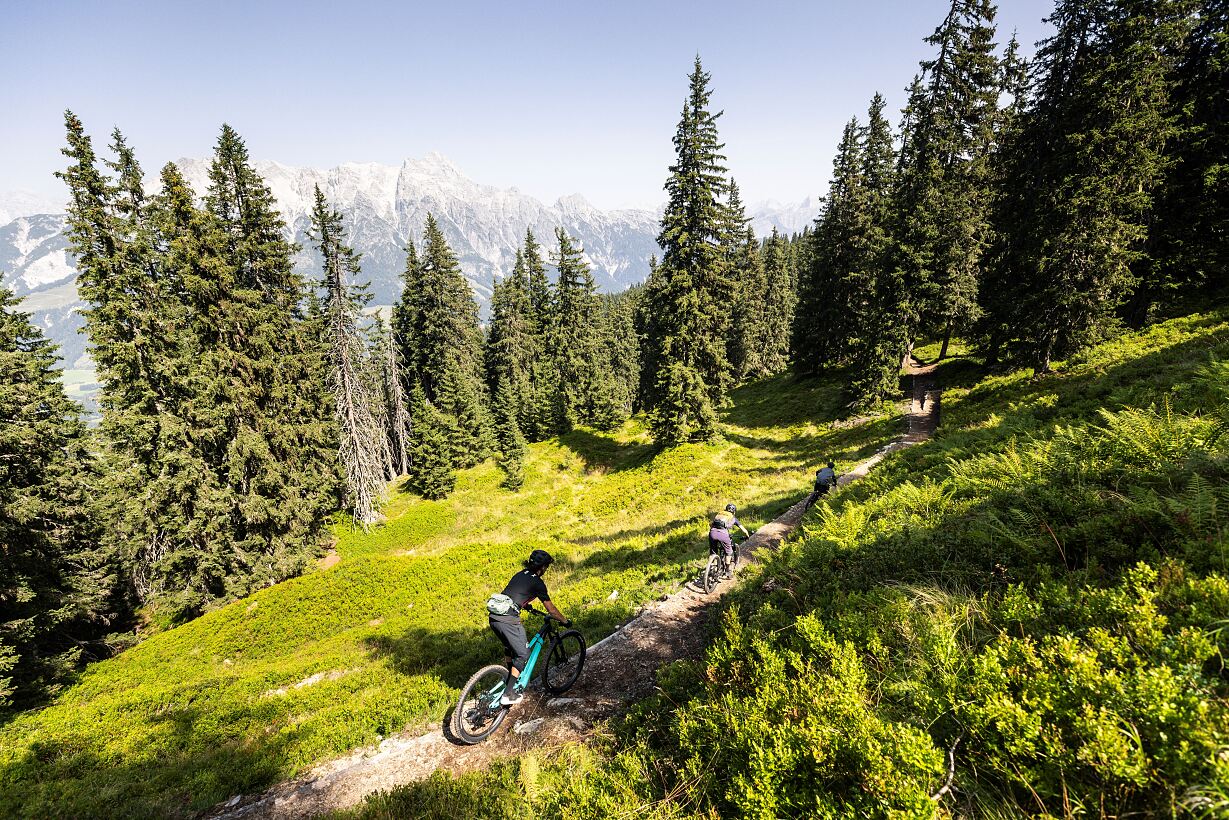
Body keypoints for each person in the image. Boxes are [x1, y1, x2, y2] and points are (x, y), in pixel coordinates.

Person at [485, 549, 570, 706]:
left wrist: (526, 606)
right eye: (546, 567)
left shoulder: (521, 573)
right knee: (524, 655)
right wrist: (564, 621)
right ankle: (508, 693)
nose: (546, 570)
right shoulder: (538, 583)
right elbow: (551, 610)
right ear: (542, 567)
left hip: (494, 618)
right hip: (508, 620)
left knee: (510, 648)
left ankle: (511, 679)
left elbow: (514, 594)